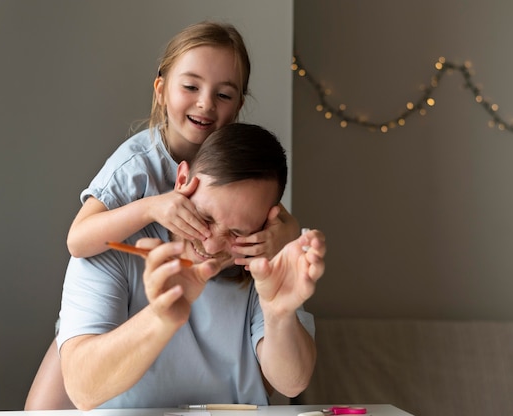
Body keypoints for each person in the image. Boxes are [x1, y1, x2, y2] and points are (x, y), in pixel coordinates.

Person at [25, 21, 299, 410]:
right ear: (161, 90)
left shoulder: (241, 176)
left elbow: (276, 224)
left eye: (223, 94)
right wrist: (152, 206)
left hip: (199, 320)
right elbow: (78, 239)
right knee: (48, 401)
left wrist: (285, 238)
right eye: (191, 87)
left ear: (238, 106)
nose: (206, 103)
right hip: (111, 310)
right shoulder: (137, 164)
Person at [57, 123, 325, 410]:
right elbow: (82, 389)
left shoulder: (265, 262)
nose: (211, 247)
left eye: (237, 233)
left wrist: (277, 314)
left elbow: (292, 382)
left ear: (266, 224)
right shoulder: (112, 245)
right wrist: (160, 318)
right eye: (204, 218)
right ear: (182, 179)